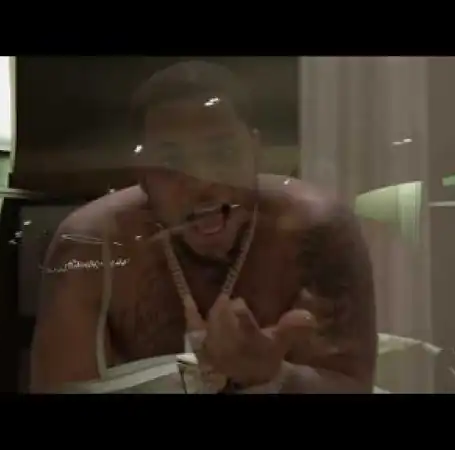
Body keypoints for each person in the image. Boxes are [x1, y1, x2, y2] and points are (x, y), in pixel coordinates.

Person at [30, 60, 377, 393]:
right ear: (142, 173)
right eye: (172, 161)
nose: (201, 183)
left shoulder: (316, 229)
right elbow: (62, 388)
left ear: (255, 152)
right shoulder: (92, 242)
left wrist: (275, 377)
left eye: (221, 153)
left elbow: (351, 385)